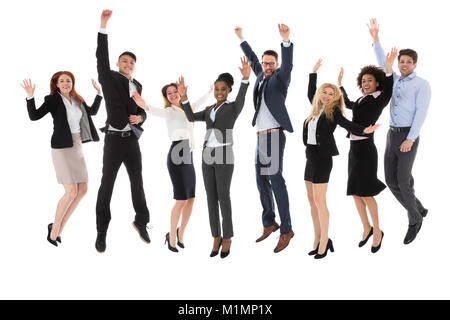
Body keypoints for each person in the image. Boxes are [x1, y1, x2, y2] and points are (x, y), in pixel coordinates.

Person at [305, 59, 379, 259]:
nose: (327, 96)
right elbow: (310, 92)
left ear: (335, 98)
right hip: (309, 156)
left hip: (322, 158)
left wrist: (364, 129)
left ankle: (324, 241)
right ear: (320, 94)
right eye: (325, 92)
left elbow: (347, 124)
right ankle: (318, 237)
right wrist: (313, 72)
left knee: (320, 201)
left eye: (332, 94)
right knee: (311, 200)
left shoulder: (333, 111)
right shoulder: (315, 109)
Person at [178, 57, 251, 259]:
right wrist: (184, 98)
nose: (219, 92)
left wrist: (245, 79)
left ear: (229, 91)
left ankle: (227, 236)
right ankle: (216, 236)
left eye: (223, 89)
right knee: (211, 198)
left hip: (224, 155)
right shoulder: (210, 109)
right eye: (217, 88)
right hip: (207, 156)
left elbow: (243, 96)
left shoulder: (233, 107)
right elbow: (191, 117)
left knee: (223, 197)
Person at [368, 18, 432, 245]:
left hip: (407, 135)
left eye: (408, 62)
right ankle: (418, 207)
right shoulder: (394, 80)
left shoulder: (422, 84)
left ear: (415, 64)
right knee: (390, 179)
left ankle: (414, 219)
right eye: (401, 61)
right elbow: (382, 63)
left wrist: (410, 139)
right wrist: (376, 38)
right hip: (391, 134)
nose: (403, 64)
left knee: (403, 181)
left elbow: (421, 114)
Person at [21, 73, 102, 247]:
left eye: (69, 80)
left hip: (77, 146)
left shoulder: (77, 99)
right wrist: (30, 96)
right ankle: (54, 230)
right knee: (71, 191)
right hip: (61, 148)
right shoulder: (52, 100)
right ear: (56, 84)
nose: (66, 83)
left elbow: (92, 112)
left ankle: (57, 229)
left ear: (73, 83)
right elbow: (34, 116)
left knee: (83, 190)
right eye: (62, 81)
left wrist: (99, 93)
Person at [235, 24, 295, 253]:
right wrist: (241, 38)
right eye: (265, 62)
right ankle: (270, 222)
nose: (267, 66)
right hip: (260, 137)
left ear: (276, 65)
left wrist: (286, 41)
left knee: (276, 180)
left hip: (274, 136)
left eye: (271, 63)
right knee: (261, 181)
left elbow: (288, 63)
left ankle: (287, 229)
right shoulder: (260, 75)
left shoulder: (281, 77)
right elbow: (251, 58)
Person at [95, 9, 150, 253]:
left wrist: (141, 116)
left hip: (132, 141)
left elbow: (143, 110)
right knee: (107, 183)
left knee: (137, 182)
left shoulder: (137, 85)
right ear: (118, 64)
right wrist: (103, 26)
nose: (128, 64)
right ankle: (102, 230)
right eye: (124, 61)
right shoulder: (109, 77)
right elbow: (101, 57)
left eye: (132, 63)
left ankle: (141, 221)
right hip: (114, 140)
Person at [132, 84, 212, 252]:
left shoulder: (187, 108)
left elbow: (199, 103)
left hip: (188, 153)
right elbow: (153, 110)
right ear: (166, 97)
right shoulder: (169, 112)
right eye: (169, 93)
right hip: (177, 152)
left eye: (175, 91)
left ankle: (180, 234)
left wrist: (210, 91)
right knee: (181, 199)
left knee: (191, 199)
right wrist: (143, 104)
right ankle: (171, 237)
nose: (173, 95)